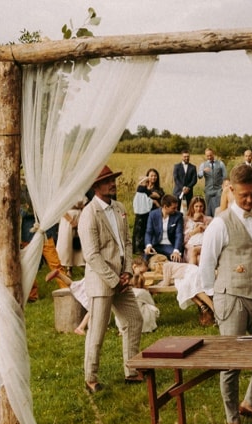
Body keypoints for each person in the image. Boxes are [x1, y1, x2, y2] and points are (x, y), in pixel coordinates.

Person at [195, 163, 252, 424]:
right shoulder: (219, 224)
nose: (248, 200)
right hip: (230, 298)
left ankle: (250, 401)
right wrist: (216, 302)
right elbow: (206, 267)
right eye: (242, 195)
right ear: (231, 191)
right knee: (231, 361)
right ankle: (233, 420)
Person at [77, 165, 143, 391]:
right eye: (107, 181)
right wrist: (115, 280)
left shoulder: (120, 208)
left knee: (134, 320)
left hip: (121, 279)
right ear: (96, 187)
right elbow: (92, 256)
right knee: (97, 331)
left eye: (113, 179)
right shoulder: (89, 214)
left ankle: (132, 370)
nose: (112, 184)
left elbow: (126, 241)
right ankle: (90, 378)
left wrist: (127, 272)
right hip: (102, 282)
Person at [143, 192, 186, 261]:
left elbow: (179, 235)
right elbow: (149, 232)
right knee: (145, 258)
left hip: (170, 245)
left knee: (176, 259)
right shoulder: (153, 214)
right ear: (165, 207)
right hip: (156, 244)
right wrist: (149, 246)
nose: (176, 210)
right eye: (173, 208)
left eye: (176, 208)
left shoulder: (178, 216)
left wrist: (176, 251)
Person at [131, 168, 162, 254]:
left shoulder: (157, 189)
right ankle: (137, 247)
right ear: (147, 177)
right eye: (151, 176)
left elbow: (157, 196)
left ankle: (148, 245)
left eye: (155, 176)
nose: (153, 178)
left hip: (152, 212)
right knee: (139, 229)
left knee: (148, 230)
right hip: (142, 212)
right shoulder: (142, 187)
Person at [199, 148, 227, 217]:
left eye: (210, 155)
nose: (209, 157)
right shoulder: (203, 165)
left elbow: (225, 176)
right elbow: (199, 176)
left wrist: (223, 187)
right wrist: (203, 171)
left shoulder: (220, 163)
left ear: (213, 154)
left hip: (218, 190)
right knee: (208, 209)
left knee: (219, 207)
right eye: (207, 156)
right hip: (208, 190)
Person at [184, 196, 210, 265]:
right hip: (191, 247)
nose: (199, 209)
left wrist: (204, 221)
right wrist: (195, 231)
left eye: (201, 206)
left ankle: (191, 273)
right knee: (198, 259)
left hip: (204, 246)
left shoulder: (209, 219)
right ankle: (193, 273)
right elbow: (183, 239)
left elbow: (212, 235)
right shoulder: (186, 220)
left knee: (201, 259)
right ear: (192, 207)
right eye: (196, 206)